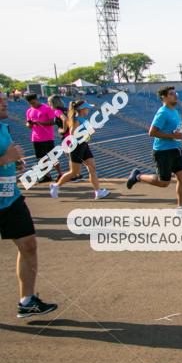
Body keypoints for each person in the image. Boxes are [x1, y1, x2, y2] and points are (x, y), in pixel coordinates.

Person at [0, 95, 58, 318]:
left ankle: (27, 301)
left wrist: (13, 162)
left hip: (9, 196)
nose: (5, 103)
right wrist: (4, 159)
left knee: (28, 245)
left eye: (4, 100)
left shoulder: (3, 127)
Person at [125, 86, 182, 208]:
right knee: (163, 183)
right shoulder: (162, 113)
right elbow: (152, 132)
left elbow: (174, 130)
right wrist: (172, 136)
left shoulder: (174, 111)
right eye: (172, 94)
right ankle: (137, 176)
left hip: (176, 149)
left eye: (175, 93)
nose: (175, 95)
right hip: (163, 152)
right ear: (164, 97)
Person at [49, 100, 110, 199]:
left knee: (92, 169)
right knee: (74, 172)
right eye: (87, 108)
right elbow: (72, 134)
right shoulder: (76, 120)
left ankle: (98, 192)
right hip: (77, 147)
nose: (88, 109)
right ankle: (56, 186)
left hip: (84, 145)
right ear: (82, 109)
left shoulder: (82, 119)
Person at [24, 93, 62, 183]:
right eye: (30, 103)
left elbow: (53, 122)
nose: (32, 105)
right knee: (41, 158)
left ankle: (60, 173)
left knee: (52, 157)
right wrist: (29, 124)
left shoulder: (46, 108)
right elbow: (27, 123)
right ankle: (47, 176)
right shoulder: (29, 111)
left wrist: (39, 123)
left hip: (47, 137)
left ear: (37, 99)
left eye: (33, 102)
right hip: (35, 138)